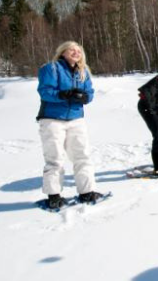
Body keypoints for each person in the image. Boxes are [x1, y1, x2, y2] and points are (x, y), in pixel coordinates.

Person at [37, 41, 103, 209]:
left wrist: (84, 97)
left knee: (82, 155)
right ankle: (54, 196)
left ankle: (86, 192)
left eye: (78, 50)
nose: (76, 52)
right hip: (52, 119)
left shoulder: (83, 71)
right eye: (71, 49)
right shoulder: (51, 68)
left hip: (76, 119)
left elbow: (90, 92)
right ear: (63, 52)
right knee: (55, 158)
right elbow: (45, 91)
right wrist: (63, 94)